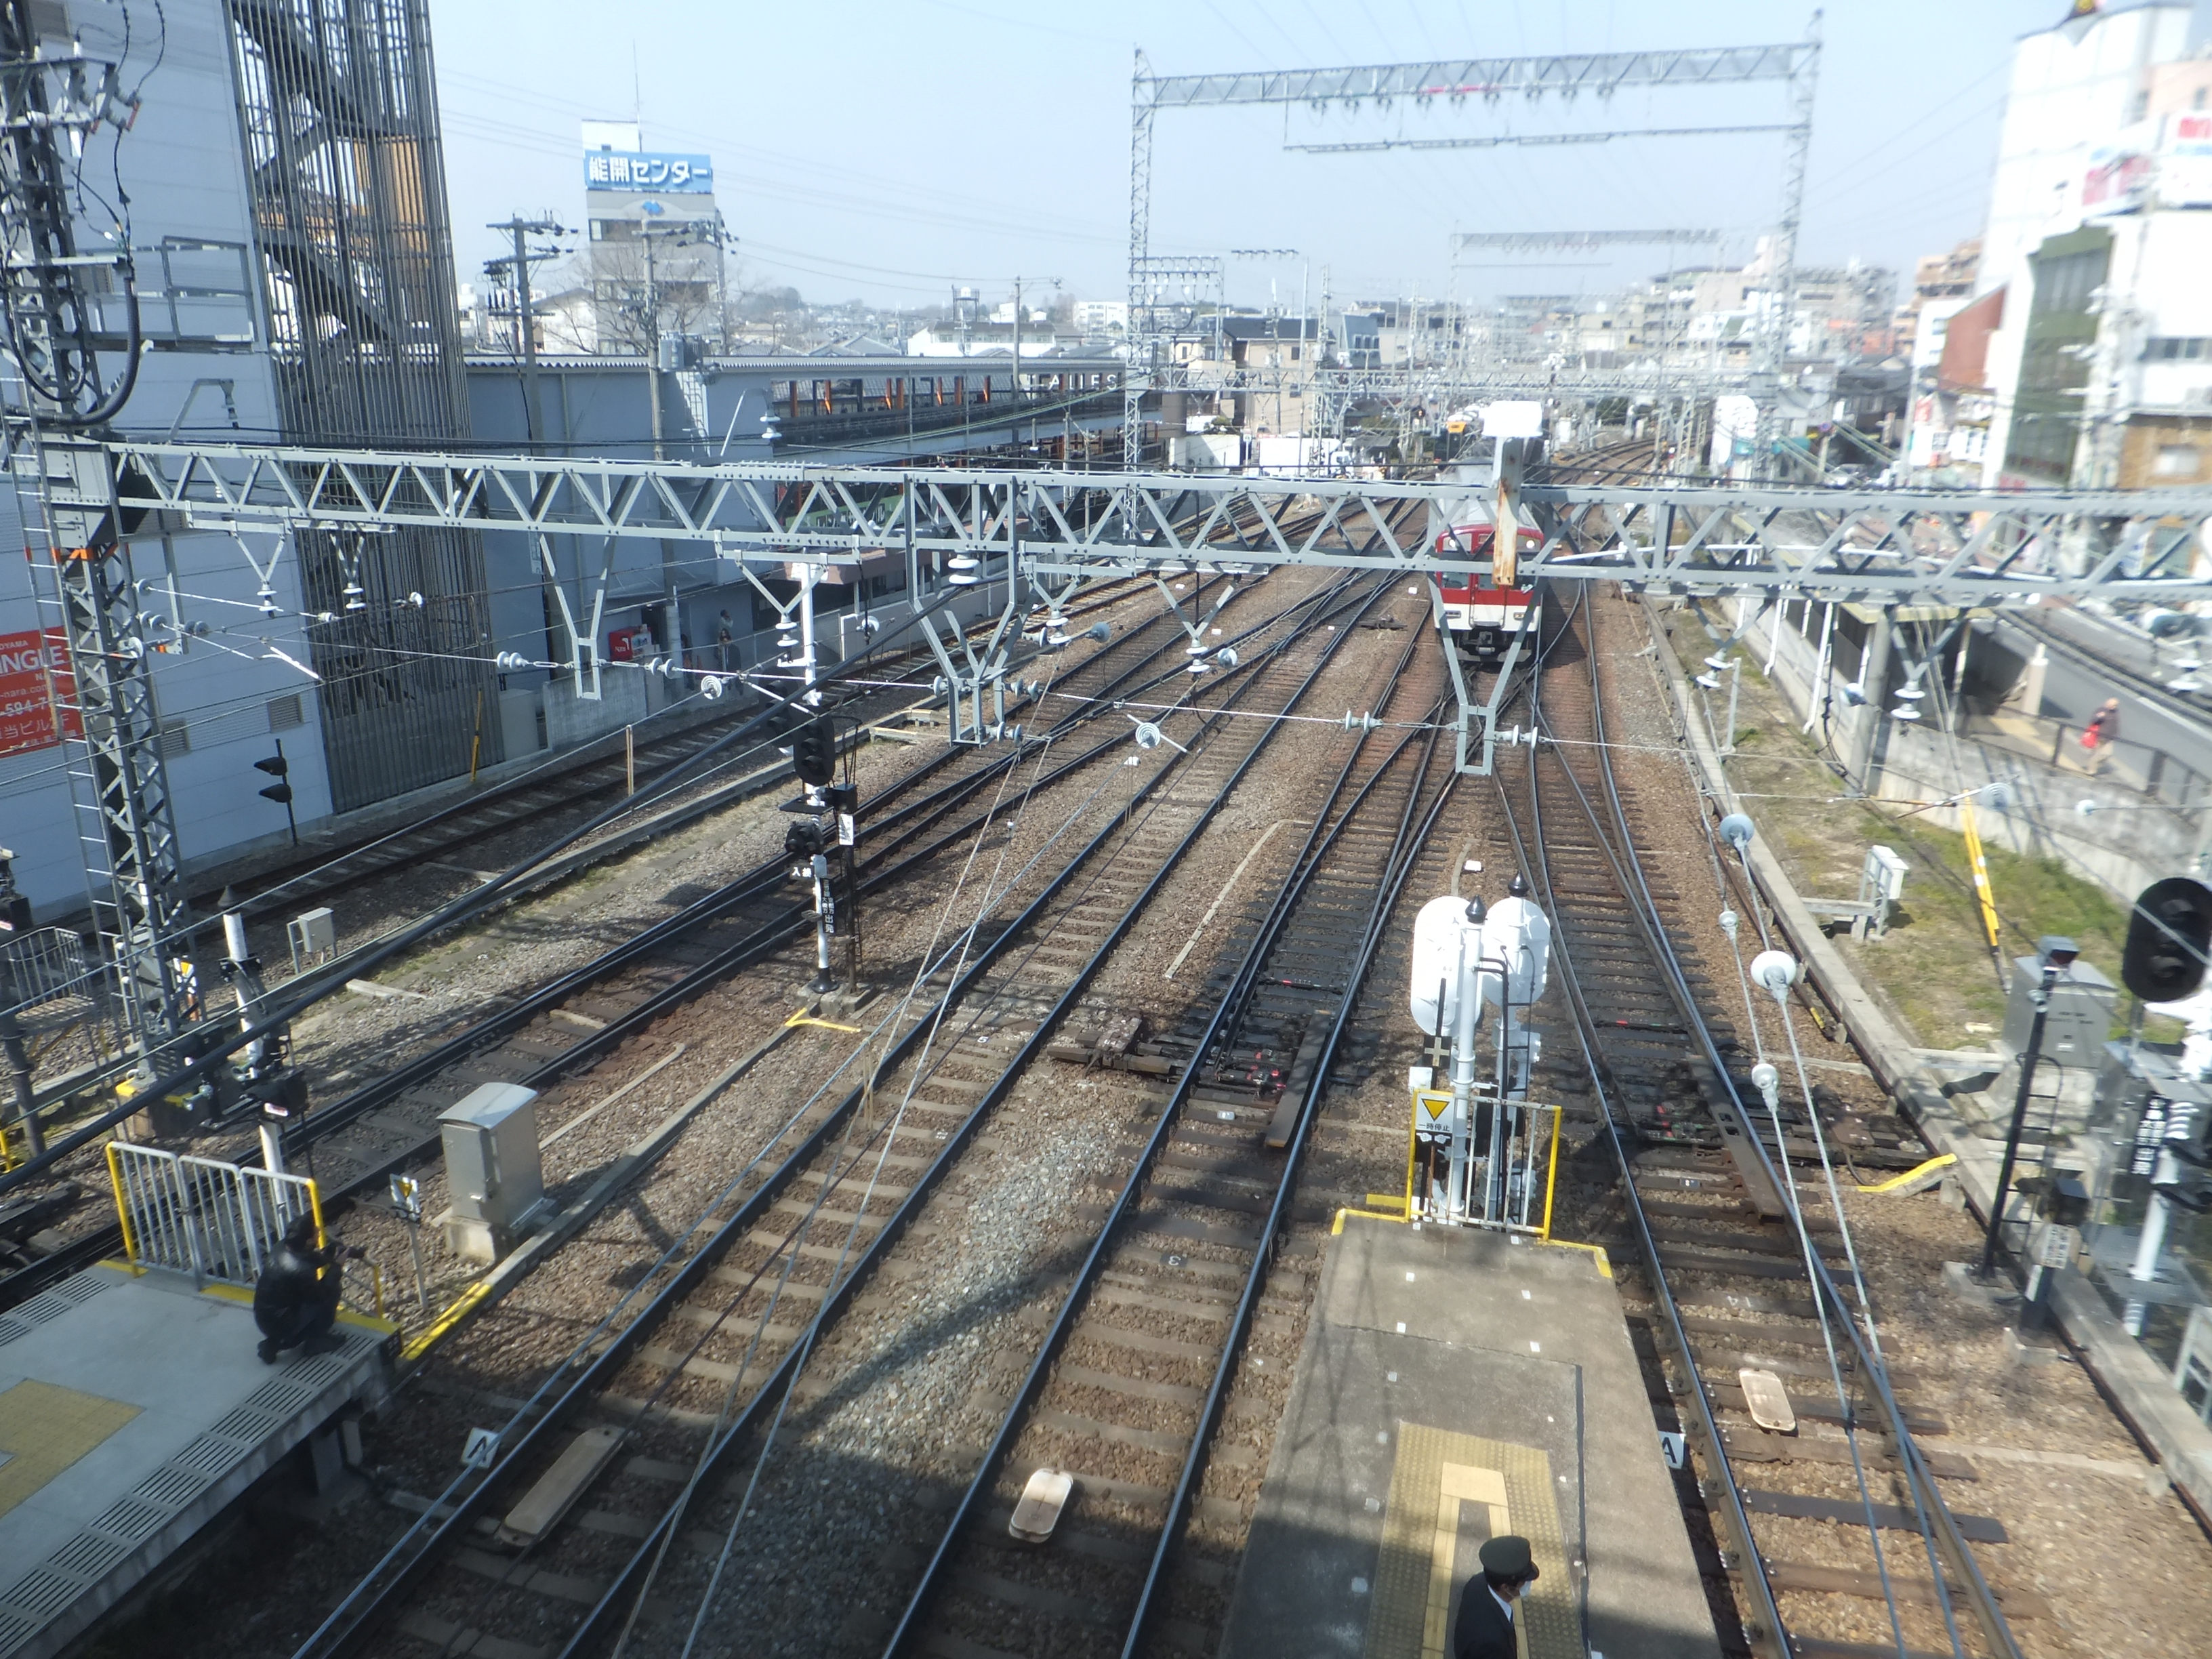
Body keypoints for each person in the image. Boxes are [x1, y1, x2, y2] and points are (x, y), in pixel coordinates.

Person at [252, 1213, 346, 1364]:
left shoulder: (282, 1247)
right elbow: (319, 1296)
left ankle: (273, 1344)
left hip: (265, 1318)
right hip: (284, 1323)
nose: (318, 1230)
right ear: (309, 1241)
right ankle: (316, 1341)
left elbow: (308, 1258)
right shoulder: (302, 1271)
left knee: (298, 1304)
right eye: (315, 1232)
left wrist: (330, 1253)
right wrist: (336, 1267)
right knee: (332, 1290)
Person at [1454, 1534, 1540, 1659]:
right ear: (1506, 1587)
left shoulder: (1477, 1582)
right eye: (1524, 1581)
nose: (1528, 1584)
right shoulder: (1491, 1643)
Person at [2081, 697, 2120, 775]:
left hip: (2110, 737)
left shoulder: (2115, 712)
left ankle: (2093, 763)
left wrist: (2116, 733)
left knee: (2107, 754)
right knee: (2097, 754)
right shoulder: (2101, 710)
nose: (2115, 707)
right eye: (2114, 705)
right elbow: (2093, 721)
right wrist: (2099, 717)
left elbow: (2115, 723)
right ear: (2108, 704)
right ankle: (2091, 771)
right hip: (2100, 736)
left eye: (2116, 705)